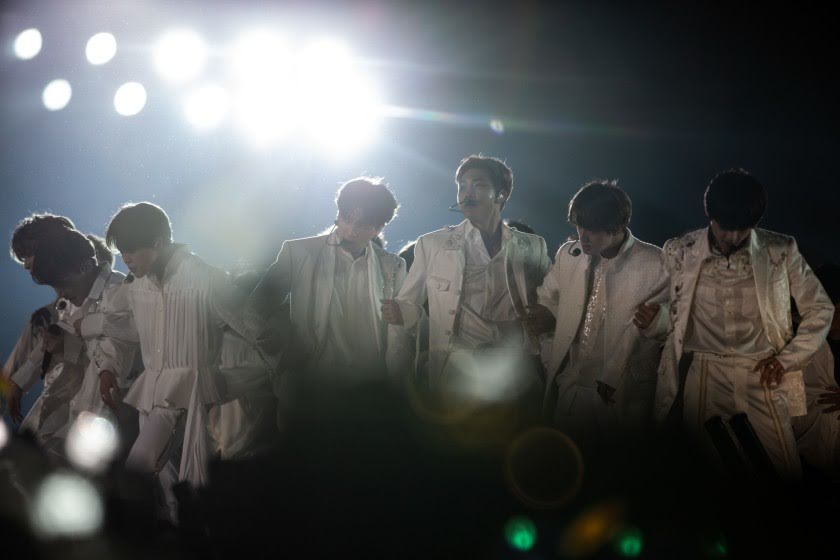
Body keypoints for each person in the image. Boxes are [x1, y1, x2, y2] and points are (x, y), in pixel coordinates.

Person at [654, 169, 834, 477]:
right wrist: (652, 321)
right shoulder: (679, 250)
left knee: (781, 466)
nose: (734, 237)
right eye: (726, 227)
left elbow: (820, 308)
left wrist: (787, 359)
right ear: (710, 215)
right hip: (706, 372)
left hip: (762, 369)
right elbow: (667, 308)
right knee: (708, 465)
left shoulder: (780, 249)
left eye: (743, 228)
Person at [101, 202, 256, 523]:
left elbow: (252, 327)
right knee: (173, 484)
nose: (126, 258)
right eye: (122, 251)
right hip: (152, 397)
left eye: (132, 249)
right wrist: (107, 366)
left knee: (138, 473)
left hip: (186, 396)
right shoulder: (137, 285)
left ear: (158, 242)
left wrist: (273, 367)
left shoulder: (205, 278)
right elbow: (124, 330)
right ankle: (189, 535)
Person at [381, 155, 550, 418]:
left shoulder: (533, 245)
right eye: (462, 186)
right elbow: (406, 306)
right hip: (457, 371)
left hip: (514, 371)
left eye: (478, 185)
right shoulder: (433, 244)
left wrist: (549, 316)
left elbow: (552, 300)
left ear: (501, 194)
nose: (467, 193)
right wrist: (402, 315)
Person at [532, 180, 669, 444]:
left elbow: (677, 322)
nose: (582, 236)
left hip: (622, 394)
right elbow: (547, 300)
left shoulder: (655, 262)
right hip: (570, 390)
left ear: (618, 226)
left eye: (592, 229)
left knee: (615, 466)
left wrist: (659, 320)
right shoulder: (569, 255)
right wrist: (551, 350)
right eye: (579, 226)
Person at [246, 177, 411, 392]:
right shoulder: (299, 253)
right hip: (311, 385)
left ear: (378, 229)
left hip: (371, 389)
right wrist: (278, 356)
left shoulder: (393, 266)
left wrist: (397, 386)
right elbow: (255, 308)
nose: (350, 230)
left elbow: (400, 331)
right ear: (338, 214)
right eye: (346, 218)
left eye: (362, 225)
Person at [29, 227, 140, 457]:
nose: (61, 294)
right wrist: (63, 345)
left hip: (119, 408)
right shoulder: (80, 296)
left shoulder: (119, 291)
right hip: (86, 402)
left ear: (86, 267)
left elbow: (122, 348)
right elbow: (87, 352)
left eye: (63, 284)